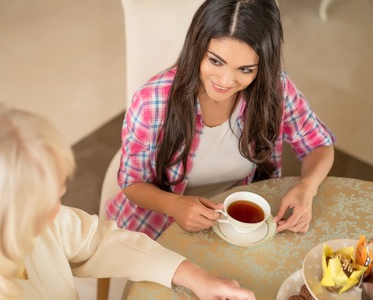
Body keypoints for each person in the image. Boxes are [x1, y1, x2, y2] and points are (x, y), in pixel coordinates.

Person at [0, 103, 256, 300]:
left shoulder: (35, 222)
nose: (56, 213)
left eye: (58, 195)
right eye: (41, 206)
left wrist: (197, 276)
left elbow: (97, 243)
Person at [105, 0, 335, 240]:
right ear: (197, 47)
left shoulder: (275, 88)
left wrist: (308, 187)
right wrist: (174, 205)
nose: (226, 81)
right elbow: (132, 183)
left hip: (238, 226)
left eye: (245, 69)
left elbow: (319, 145)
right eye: (216, 61)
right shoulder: (151, 101)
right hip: (157, 225)